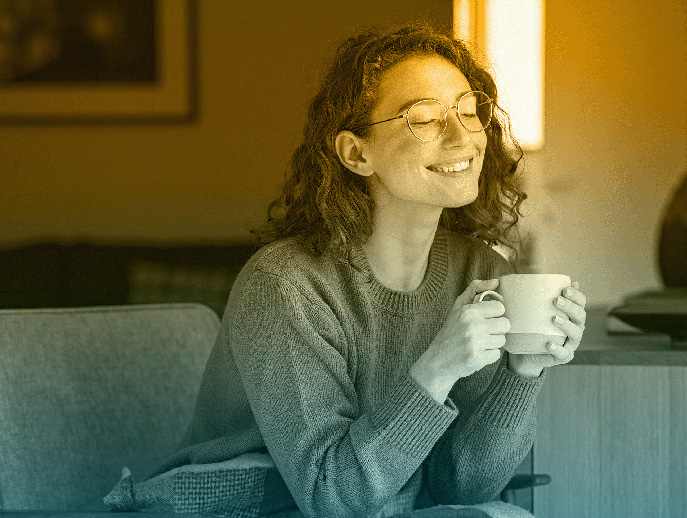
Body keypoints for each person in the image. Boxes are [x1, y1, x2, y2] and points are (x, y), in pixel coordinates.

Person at [117, 24, 587, 518]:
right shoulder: (285, 286)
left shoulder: (479, 270)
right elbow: (332, 498)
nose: (462, 137)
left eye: (469, 111)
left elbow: (461, 487)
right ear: (356, 153)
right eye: (425, 118)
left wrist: (522, 372)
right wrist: (438, 367)